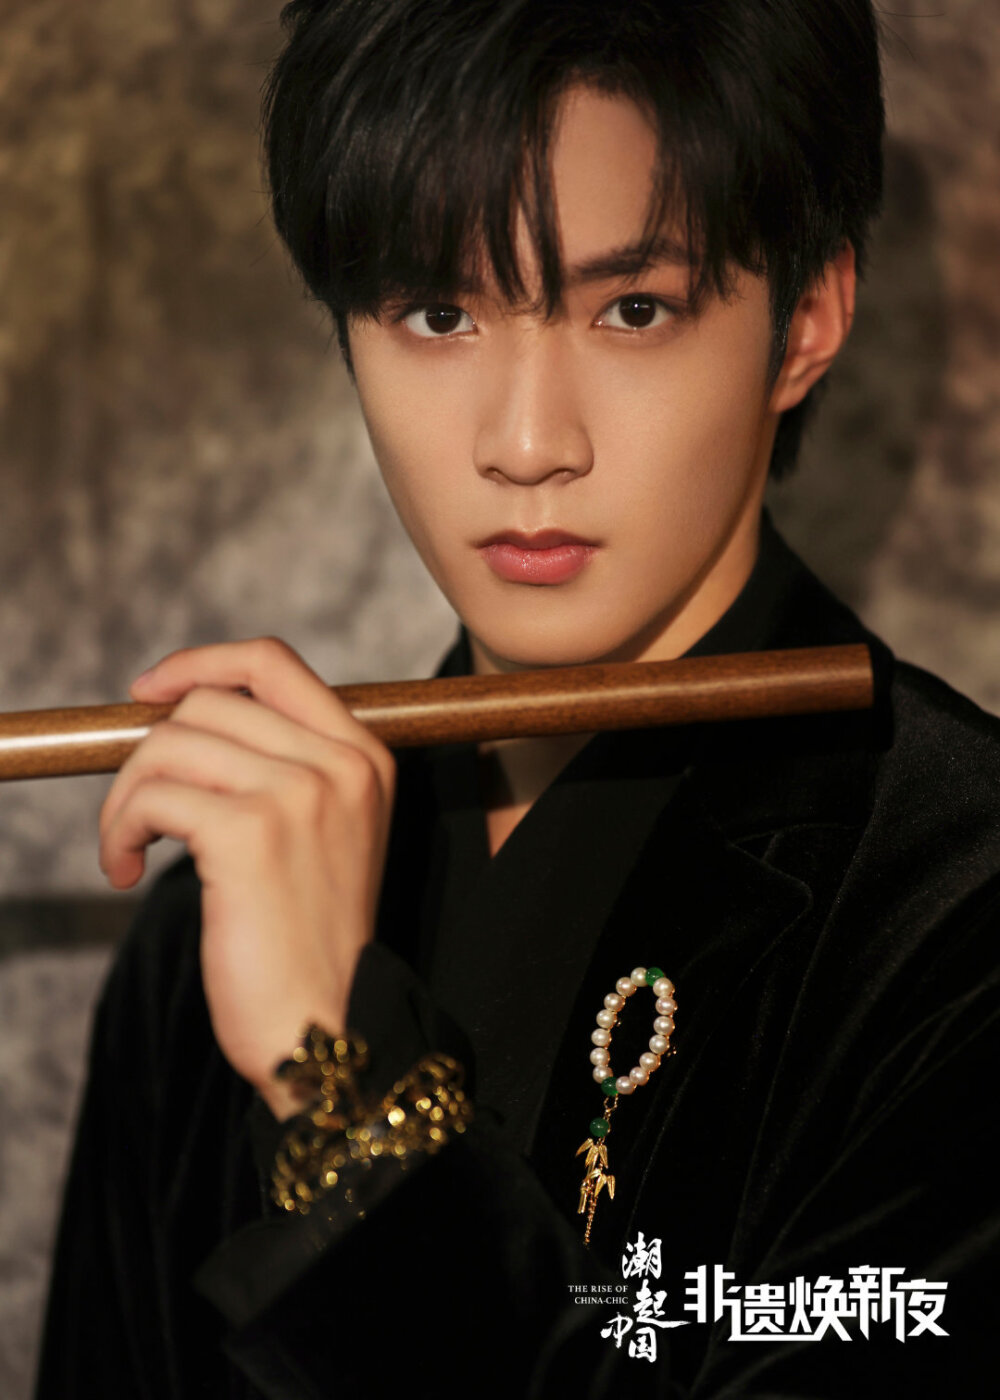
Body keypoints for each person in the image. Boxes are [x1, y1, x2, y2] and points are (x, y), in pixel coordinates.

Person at [34, 1, 999, 1396]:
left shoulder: (955, 904)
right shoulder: (210, 934)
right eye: (438, 313)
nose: (527, 443)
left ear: (806, 321)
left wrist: (340, 1086)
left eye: (633, 310)